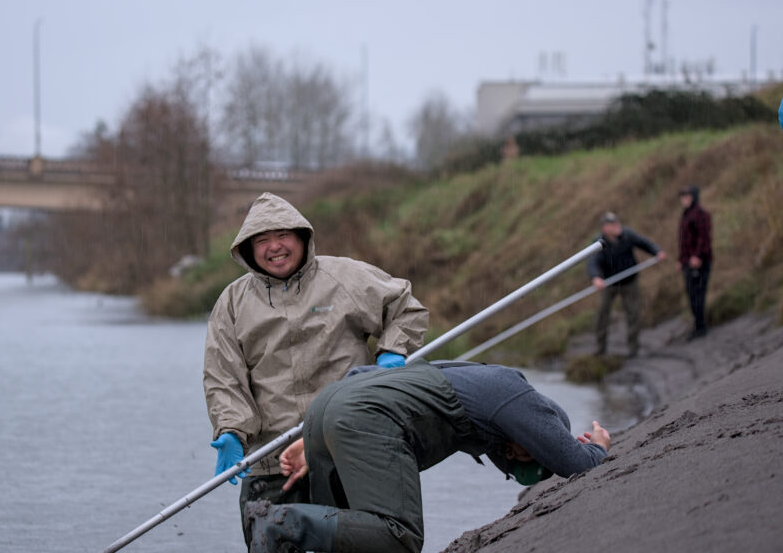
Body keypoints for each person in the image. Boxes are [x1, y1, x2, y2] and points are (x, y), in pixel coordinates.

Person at [203, 192, 429, 545]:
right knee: (269, 538)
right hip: (272, 461)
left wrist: (392, 352)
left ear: (302, 237)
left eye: (283, 236)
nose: (274, 247)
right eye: (262, 240)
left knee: (367, 544)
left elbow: (404, 307)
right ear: (248, 249)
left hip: (347, 448)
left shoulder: (344, 276)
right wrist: (231, 429)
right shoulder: (232, 303)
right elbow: (223, 376)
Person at [245, 360, 612, 553]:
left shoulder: (467, 377)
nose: (516, 454)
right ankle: (280, 519)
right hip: (359, 415)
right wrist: (598, 446)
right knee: (398, 537)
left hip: (333, 403)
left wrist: (318, 436)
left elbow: (364, 374)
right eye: (531, 453)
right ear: (542, 430)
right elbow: (578, 464)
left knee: (352, 538)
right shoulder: (519, 397)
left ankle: (279, 525)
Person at [586, 212, 666, 357]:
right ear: (605, 228)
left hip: (629, 281)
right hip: (609, 283)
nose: (616, 226)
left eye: (616, 222)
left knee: (633, 312)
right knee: (603, 314)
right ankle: (601, 348)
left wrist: (657, 251)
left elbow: (644, 243)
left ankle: (633, 348)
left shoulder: (627, 235)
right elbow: (592, 262)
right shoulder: (599, 242)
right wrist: (596, 278)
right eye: (612, 224)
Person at [677, 185, 712, 340]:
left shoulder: (700, 214)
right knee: (692, 295)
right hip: (687, 262)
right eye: (683, 196)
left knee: (698, 294)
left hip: (701, 262)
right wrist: (681, 259)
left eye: (687, 196)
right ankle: (698, 325)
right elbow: (684, 241)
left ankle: (701, 326)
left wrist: (697, 256)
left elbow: (703, 238)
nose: (684, 199)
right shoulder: (686, 215)